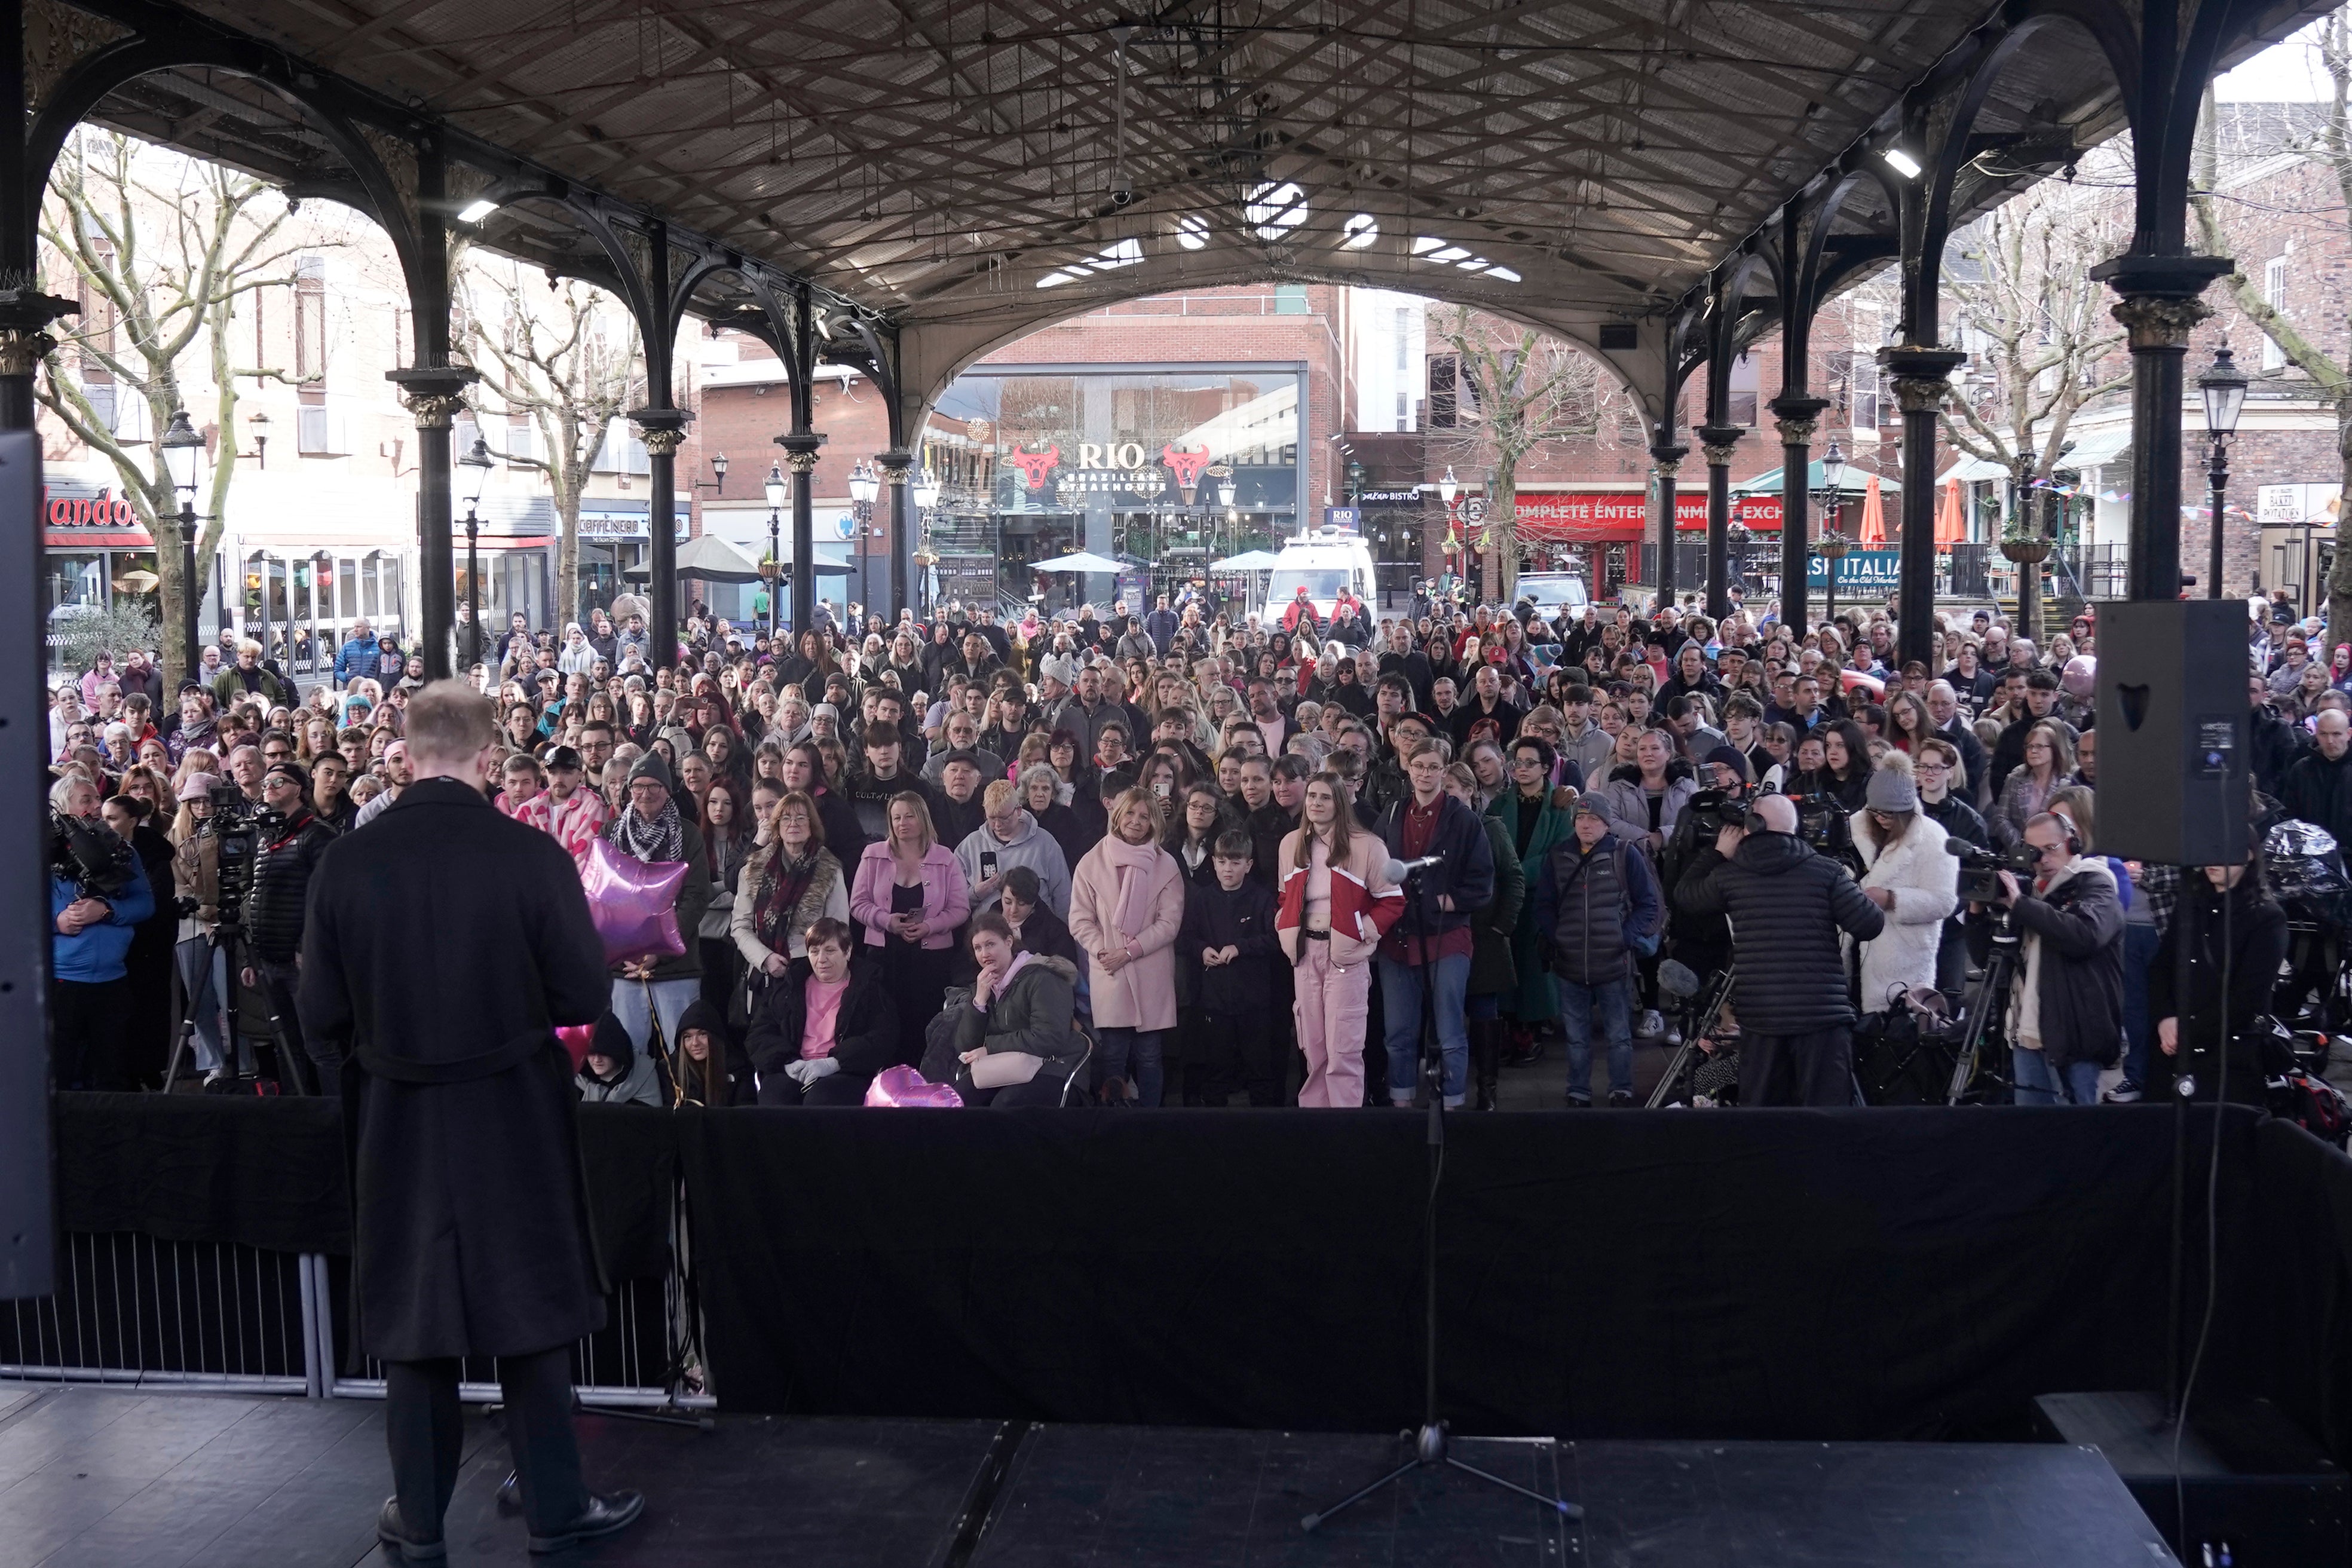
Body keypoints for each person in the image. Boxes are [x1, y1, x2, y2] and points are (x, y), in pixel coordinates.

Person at [294, 680, 641, 1561]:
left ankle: (417, 1521)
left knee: (416, 1318)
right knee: (528, 1308)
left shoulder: (346, 862)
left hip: (398, 1119)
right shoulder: (531, 858)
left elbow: (321, 1016)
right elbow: (581, 993)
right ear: (490, 757)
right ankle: (558, 1511)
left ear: (405, 754)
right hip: (512, 1111)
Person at [1676, 793, 1885, 1106]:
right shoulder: (1825, 871)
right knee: (1827, 1116)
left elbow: (1686, 896)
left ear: (1752, 824)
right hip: (1822, 1017)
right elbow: (1871, 924)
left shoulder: (1730, 875)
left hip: (1762, 1020)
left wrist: (1717, 853)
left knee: (1766, 1119)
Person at [1373, 740, 1496, 1109]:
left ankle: (1452, 1104)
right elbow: (1373, 866)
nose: (1425, 774)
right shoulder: (1393, 814)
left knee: (1450, 1031)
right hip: (1398, 939)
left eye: (1433, 767)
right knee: (1398, 1032)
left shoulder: (1464, 819)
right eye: (1419, 766)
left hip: (1447, 939)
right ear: (1408, 769)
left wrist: (1447, 901)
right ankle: (1402, 1103)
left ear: (1444, 771)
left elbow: (1483, 880)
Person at [1276, 772, 1404, 1107]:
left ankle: (1346, 1127)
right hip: (1305, 955)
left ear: (1341, 802)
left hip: (1346, 958)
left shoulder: (1368, 845)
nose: (1316, 803)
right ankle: (1316, 1125)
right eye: (1312, 796)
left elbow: (1393, 899)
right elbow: (1283, 899)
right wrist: (1284, 927)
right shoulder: (1291, 844)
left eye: (1325, 797)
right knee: (1313, 1048)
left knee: (1343, 1048)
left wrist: (1360, 932)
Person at [1984, 811, 2124, 1107]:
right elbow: (1987, 956)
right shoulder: (2028, 890)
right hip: (2026, 1033)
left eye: (2051, 848)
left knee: (2075, 1138)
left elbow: (2084, 936)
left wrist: (2021, 905)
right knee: (2033, 1138)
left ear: (2073, 843)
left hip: (2074, 1036)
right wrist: (1977, 914)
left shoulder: (2096, 883)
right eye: (2034, 852)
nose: (2042, 859)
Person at [1532, 797, 1659, 1107]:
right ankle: (1578, 1091)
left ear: (1607, 824)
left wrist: (1623, 937)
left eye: (1594, 819)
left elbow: (1648, 905)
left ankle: (1621, 1089)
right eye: (1581, 818)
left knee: (1619, 1035)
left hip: (1614, 963)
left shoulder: (1625, 854)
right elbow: (1544, 904)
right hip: (1569, 962)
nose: (1586, 824)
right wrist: (1558, 936)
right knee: (1576, 1038)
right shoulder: (1559, 855)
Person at [1067, 786, 1187, 1105]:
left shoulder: (1167, 865)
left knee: (1150, 1056)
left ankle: (1150, 1120)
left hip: (1151, 969)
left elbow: (1169, 923)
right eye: (1131, 814)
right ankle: (1113, 1120)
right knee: (1113, 1056)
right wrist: (1104, 951)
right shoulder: (1091, 862)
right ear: (1118, 817)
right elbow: (1080, 920)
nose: (1136, 821)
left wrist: (1131, 951)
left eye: (1145, 816)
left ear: (1154, 823)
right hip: (1110, 970)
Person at [2151, 844, 2291, 1107]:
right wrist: (2165, 1018)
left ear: (2248, 855)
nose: (2213, 859)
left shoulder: (2267, 918)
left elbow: (2248, 998)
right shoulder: (2191, 904)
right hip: (2171, 1049)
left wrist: (2187, 1031)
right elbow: (2162, 967)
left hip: (2225, 1057)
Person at [603, 752, 713, 1065]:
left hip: (675, 966)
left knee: (684, 1054)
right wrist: (627, 950)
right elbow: (604, 898)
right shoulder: (611, 833)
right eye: (638, 786)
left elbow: (695, 896)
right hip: (624, 966)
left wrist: (658, 950)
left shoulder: (689, 833)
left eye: (654, 786)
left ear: (667, 790)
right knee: (627, 1053)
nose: (646, 793)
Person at [48, 773, 157, 1091]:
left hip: (113, 982)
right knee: (62, 1075)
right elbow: (17, 914)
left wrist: (108, 911)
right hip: (62, 983)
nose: (97, 806)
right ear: (63, 806)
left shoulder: (123, 851)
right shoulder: (42, 853)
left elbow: (146, 905)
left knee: (110, 1076)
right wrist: (57, 923)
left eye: (97, 799)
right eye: (87, 800)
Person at [849, 792, 972, 1071]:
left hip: (930, 963)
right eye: (896, 817)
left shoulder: (946, 858)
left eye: (909, 816)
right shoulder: (873, 855)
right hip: (884, 958)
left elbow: (961, 909)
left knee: (923, 1028)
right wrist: (885, 920)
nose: (902, 823)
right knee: (885, 1027)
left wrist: (930, 927)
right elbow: (857, 904)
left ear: (923, 818)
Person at [241, 759, 341, 1093]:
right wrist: (251, 956)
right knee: (287, 1047)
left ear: (299, 788)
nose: (268, 787)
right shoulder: (266, 837)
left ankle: (337, 1119)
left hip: (302, 964)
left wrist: (305, 946)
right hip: (269, 960)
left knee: (320, 1049)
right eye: (267, 782)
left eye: (278, 782)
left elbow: (327, 900)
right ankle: (297, 1117)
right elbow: (257, 898)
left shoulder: (317, 834)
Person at [936, 912, 1089, 1106]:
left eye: (990, 944)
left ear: (1009, 942)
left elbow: (1049, 1038)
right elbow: (966, 1048)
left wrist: (990, 1048)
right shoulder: (983, 986)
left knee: (1007, 1104)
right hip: (1001, 1068)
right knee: (957, 1100)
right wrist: (979, 1003)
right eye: (978, 948)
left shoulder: (1043, 978)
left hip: (1052, 1066)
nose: (984, 954)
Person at [1177, 829, 1283, 1105]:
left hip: (1254, 1001)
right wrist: (1202, 950)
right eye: (1223, 862)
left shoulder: (1261, 898)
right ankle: (1215, 1135)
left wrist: (1240, 948)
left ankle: (1266, 1133)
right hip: (1214, 1001)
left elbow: (1275, 940)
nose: (1228, 869)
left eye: (1235, 863)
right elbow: (1186, 938)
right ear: (1213, 862)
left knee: (1260, 1070)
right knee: (1216, 1072)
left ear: (1248, 865)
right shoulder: (1202, 899)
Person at [745, 916, 899, 1105]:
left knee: (821, 1101)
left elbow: (883, 1037)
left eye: (830, 951)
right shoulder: (789, 986)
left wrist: (834, 1063)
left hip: (845, 1071)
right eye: (814, 951)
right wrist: (788, 1062)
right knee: (776, 1099)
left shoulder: (868, 988)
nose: (821, 960)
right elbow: (759, 1034)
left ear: (848, 951)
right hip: (794, 1067)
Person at [1847, 765, 1959, 1015]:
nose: (1882, 818)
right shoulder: (1854, 829)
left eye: (1890, 813)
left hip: (1903, 959)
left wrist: (1892, 899)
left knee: (1894, 1037)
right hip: (1852, 948)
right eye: (1876, 812)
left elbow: (1944, 901)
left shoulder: (1933, 838)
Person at [1450, 763, 1526, 1110]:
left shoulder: (1490, 828)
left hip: (1484, 935)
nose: (1445, 794)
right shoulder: (1432, 828)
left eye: (1451, 788)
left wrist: (1501, 927)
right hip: (1446, 934)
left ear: (1469, 790)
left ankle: (1487, 1089)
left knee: (1483, 1011)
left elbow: (1513, 877)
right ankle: (1450, 1088)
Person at [956, 778, 1071, 916]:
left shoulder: (1045, 843)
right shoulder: (971, 845)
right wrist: (976, 893)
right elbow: (952, 900)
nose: (998, 825)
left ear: (1018, 810)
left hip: (1036, 932)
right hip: (988, 931)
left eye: (1004, 818)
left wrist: (1063, 934)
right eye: (992, 818)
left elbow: (1063, 896)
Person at [575, 1009, 666, 1107]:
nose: (597, 1060)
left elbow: (652, 1119)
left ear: (616, 1051)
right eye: (591, 1053)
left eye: (604, 1053)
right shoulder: (577, 1079)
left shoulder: (643, 1074)